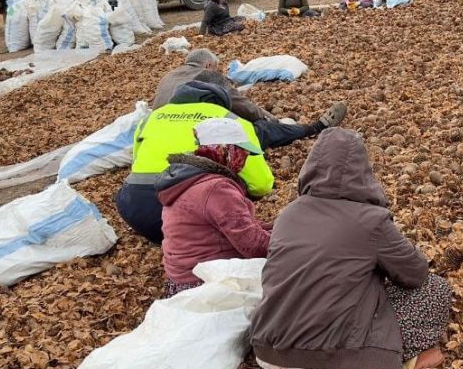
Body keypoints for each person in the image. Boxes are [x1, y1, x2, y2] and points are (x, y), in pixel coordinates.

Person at [250, 128, 452, 369]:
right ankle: (401, 368)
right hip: (331, 367)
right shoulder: (371, 220)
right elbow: (416, 274)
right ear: (363, 172)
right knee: (436, 291)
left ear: (310, 167)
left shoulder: (288, 214)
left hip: (269, 357)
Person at [116, 81, 346, 243]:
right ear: (221, 102)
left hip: (134, 208)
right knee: (240, 170)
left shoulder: (151, 117)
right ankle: (313, 128)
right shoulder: (229, 120)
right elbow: (262, 184)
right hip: (192, 215)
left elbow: (137, 161)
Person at [156, 118, 273, 297]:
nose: (244, 160)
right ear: (225, 150)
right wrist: (291, 239)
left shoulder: (189, 178)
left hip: (181, 281)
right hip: (205, 284)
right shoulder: (217, 188)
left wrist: (276, 226)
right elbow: (253, 246)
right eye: (241, 152)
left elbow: (237, 227)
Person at [152, 48, 275, 122]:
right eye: (217, 68)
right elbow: (243, 106)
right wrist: (271, 119)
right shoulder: (207, 74)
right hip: (187, 131)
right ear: (208, 65)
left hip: (156, 129)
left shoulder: (168, 76)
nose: (218, 72)